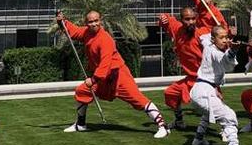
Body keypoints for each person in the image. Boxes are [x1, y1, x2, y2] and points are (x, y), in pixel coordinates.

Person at [57, 9, 169, 138]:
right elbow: (74, 31)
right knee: (82, 91)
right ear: (86, 23)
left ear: (101, 20)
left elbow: (105, 63)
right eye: (90, 22)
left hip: (118, 76)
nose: (93, 24)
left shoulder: (105, 39)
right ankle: (81, 124)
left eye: (96, 21)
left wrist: (93, 80)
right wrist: (62, 22)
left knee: (138, 99)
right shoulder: (86, 32)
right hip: (102, 79)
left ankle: (163, 126)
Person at [189, 25, 252, 145]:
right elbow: (226, 63)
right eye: (221, 38)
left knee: (209, 112)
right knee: (230, 116)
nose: (224, 40)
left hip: (200, 91)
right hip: (204, 92)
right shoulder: (216, 53)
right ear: (213, 39)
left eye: (225, 37)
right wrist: (232, 50)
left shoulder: (207, 44)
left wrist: (230, 40)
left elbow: (203, 38)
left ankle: (198, 139)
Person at [158, 7, 205, 128]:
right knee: (170, 93)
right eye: (187, 19)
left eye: (193, 19)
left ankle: (226, 128)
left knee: (214, 106)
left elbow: (219, 41)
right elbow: (167, 19)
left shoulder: (202, 35)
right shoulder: (177, 28)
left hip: (204, 79)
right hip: (190, 78)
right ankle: (179, 121)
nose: (191, 22)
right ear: (181, 20)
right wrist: (163, 18)